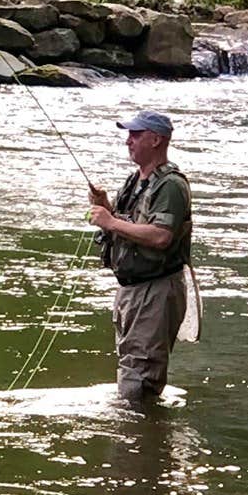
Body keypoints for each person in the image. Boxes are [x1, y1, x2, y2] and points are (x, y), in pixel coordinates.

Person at [88, 110, 192, 404]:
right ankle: (142, 440)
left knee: (140, 383)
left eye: (136, 135)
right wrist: (106, 206)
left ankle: (144, 442)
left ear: (156, 139)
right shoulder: (136, 180)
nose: (128, 141)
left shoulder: (171, 185)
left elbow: (161, 236)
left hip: (155, 291)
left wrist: (110, 221)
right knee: (131, 373)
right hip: (133, 290)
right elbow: (131, 225)